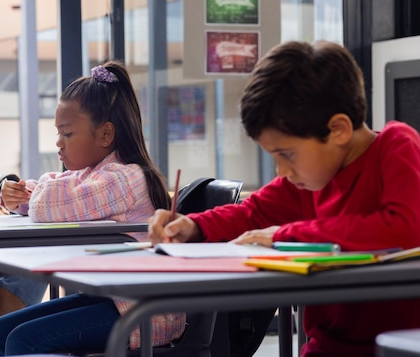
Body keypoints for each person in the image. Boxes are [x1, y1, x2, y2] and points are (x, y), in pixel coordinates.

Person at [148, 40, 420, 356]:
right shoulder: (308, 180)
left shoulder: (395, 145)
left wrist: (284, 235)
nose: (282, 170)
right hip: (326, 348)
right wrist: (191, 225)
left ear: (338, 130)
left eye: (287, 154)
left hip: (399, 347)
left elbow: (405, 230)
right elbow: (252, 214)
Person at [0, 61, 185, 356]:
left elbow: (51, 203)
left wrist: (34, 194)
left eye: (67, 134)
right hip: (111, 298)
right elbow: (53, 193)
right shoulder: (94, 173)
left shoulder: (123, 178)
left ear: (105, 135)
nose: (58, 143)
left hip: (144, 311)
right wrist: (22, 197)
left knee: (23, 341)